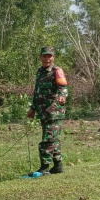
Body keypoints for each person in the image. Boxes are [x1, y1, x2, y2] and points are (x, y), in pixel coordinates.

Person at [27, 46, 69, 174]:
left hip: (54, 112)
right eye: (44, 56)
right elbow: (37, 92)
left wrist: (62, 96)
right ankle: (58, 166)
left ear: (53, 57)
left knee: (47, 139)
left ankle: (44, 167)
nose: (47, 59)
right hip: (43, 112)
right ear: (40, 57)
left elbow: (63, 87)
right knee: (53, 139)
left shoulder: (57, 70)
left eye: (49, 56)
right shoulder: (40, 72)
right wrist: (33, 108)